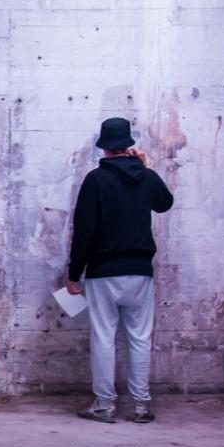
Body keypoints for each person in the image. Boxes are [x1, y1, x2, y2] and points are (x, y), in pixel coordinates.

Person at [66, 117, 174, 423]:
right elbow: (165, 203)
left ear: (104, 147)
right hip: (140, 272)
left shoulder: (96, 180)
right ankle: (141, 407)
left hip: (104, 272)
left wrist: (74, 274)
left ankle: (104, 405)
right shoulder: (146, 177)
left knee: (104, 337)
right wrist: (146, 167)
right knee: (139, 338)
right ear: (128, 145)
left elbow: (84, 231)